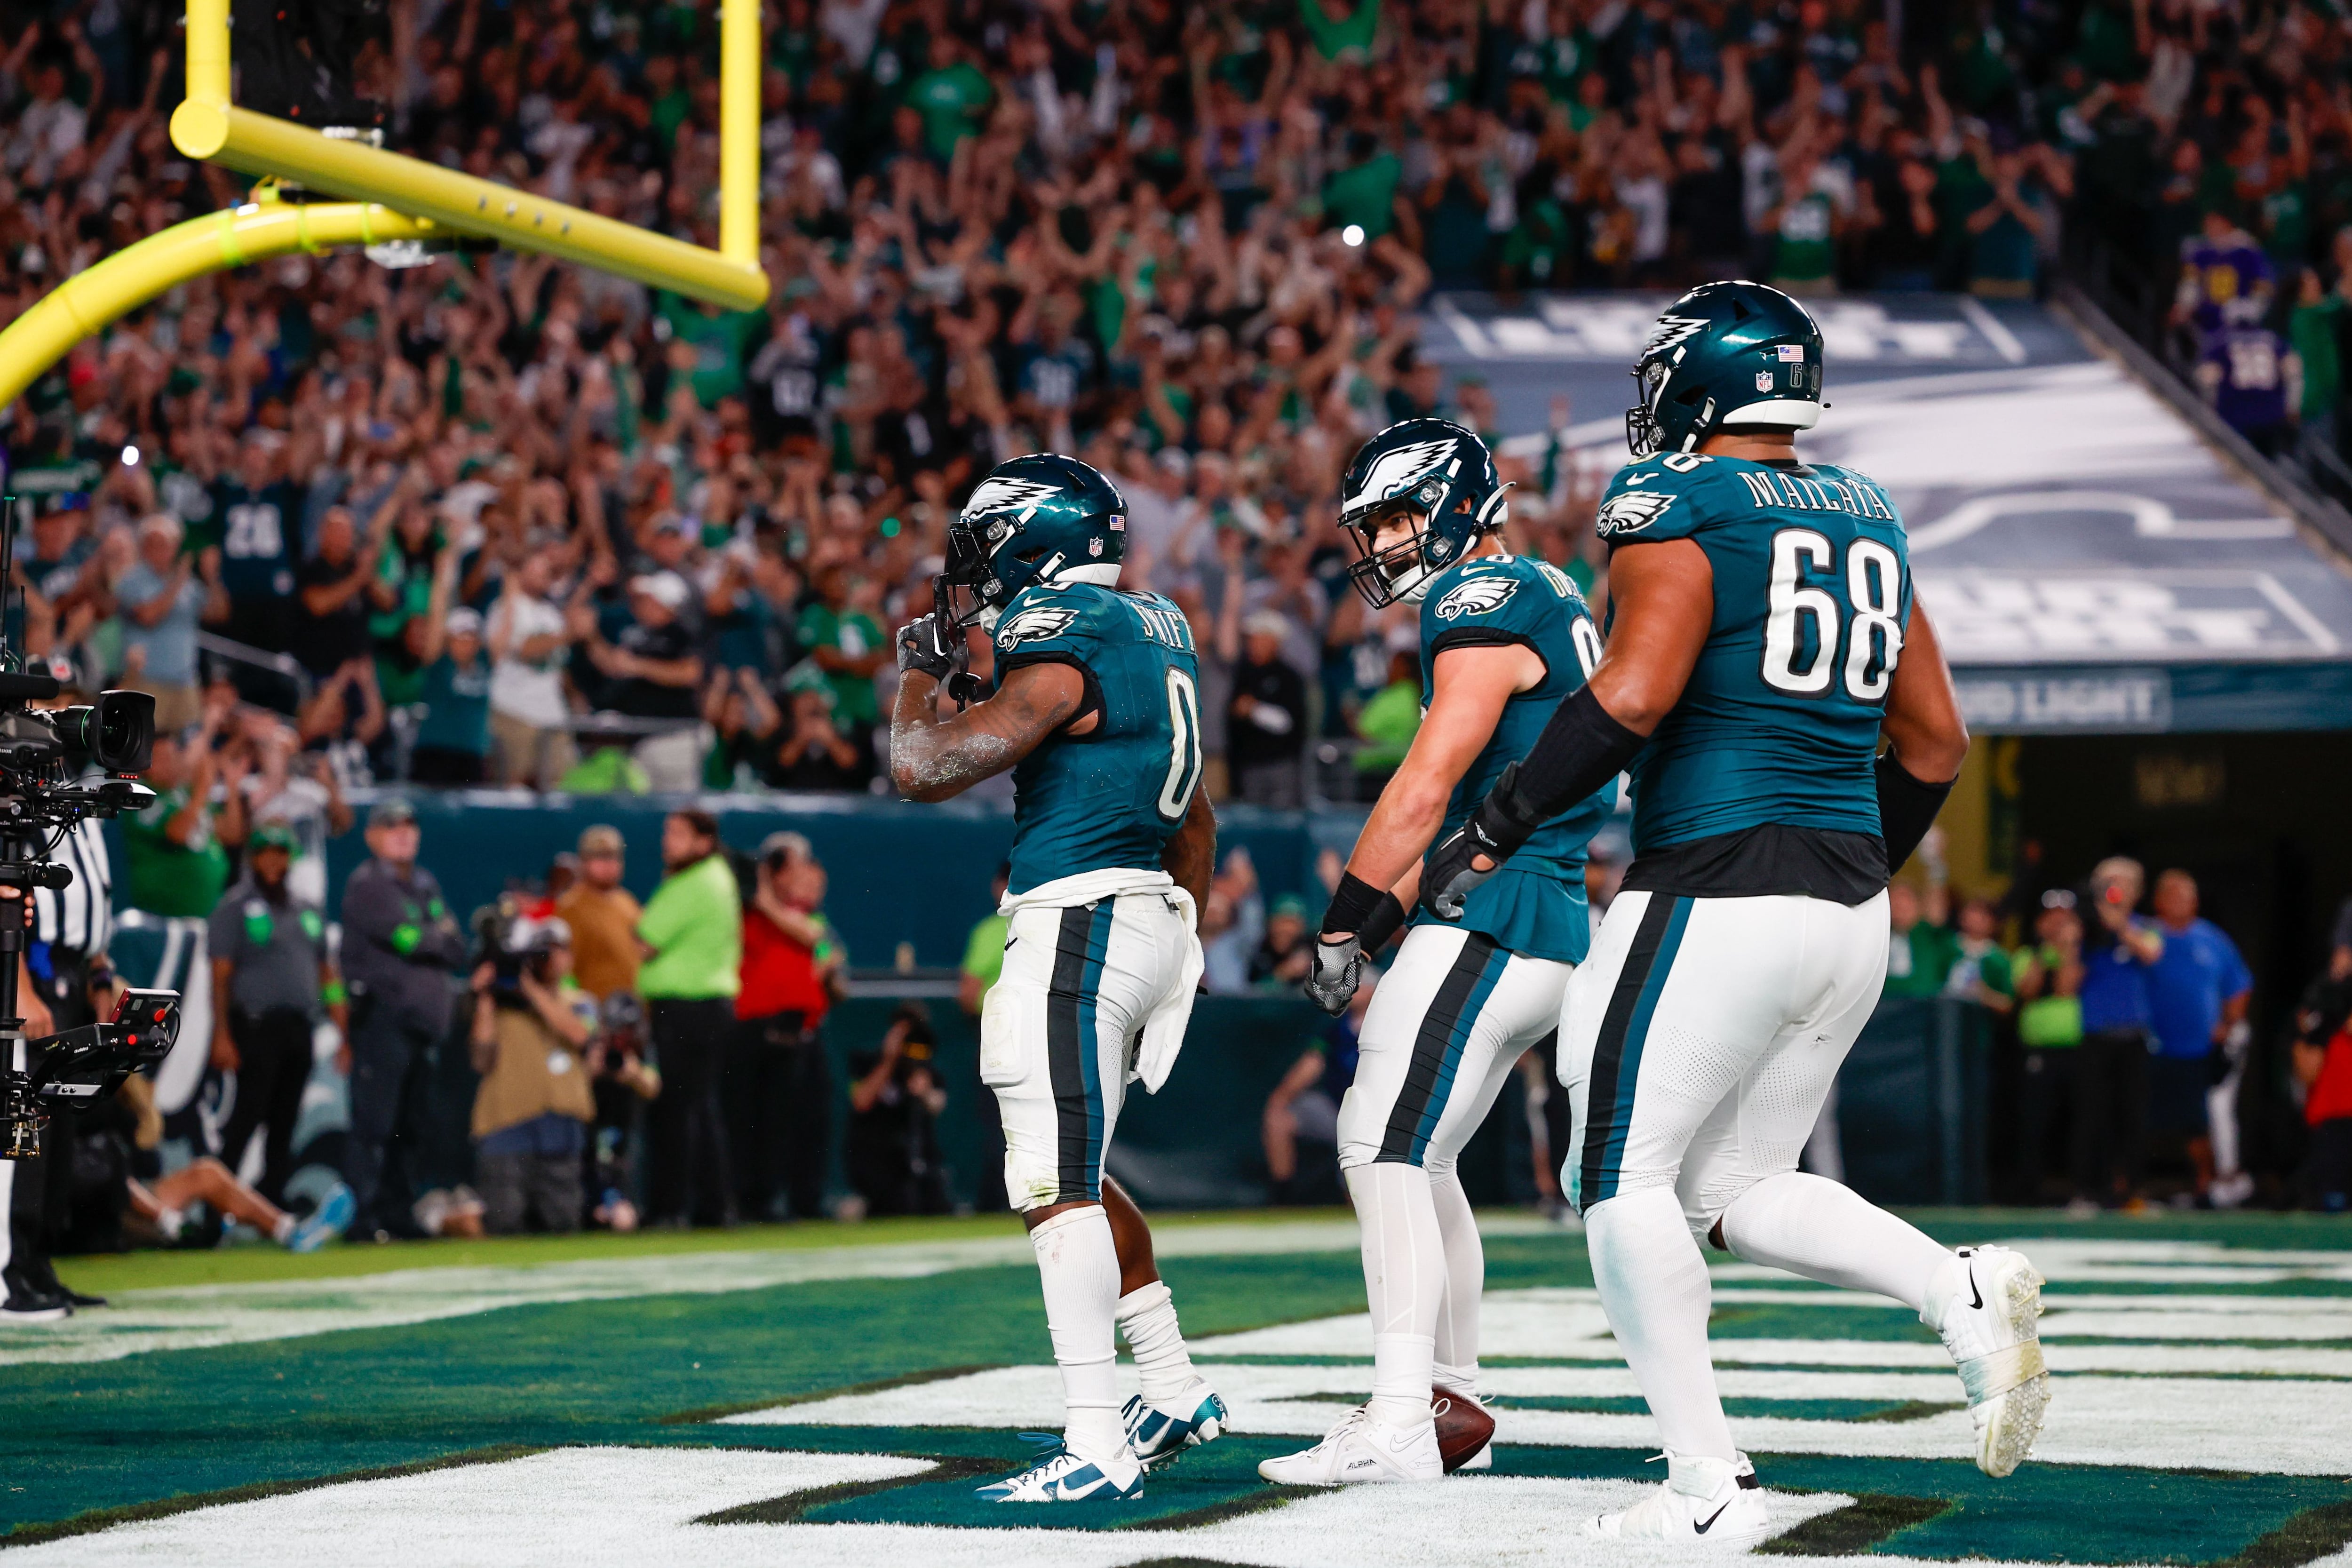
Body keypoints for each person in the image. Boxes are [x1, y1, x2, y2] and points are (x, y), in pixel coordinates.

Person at [1417, 283, 2046, 1536]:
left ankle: (1705, 1486)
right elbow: (1936, 741)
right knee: (1735, 1182)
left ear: (1699, 382)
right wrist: (1852, 862)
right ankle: (1956, 1286)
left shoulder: (1680, 500)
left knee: (1612, 1172)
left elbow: (1637, 695)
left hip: (1716, 879)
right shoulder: (1867, 514)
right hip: (1846, 900)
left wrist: (1498, 821)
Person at [1263, 417, 1613, 1486]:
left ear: (1454, 503)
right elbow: (1473, 811)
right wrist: (1370, 929)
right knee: (1426, 1156)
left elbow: (1424, 785)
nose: (1378, 544)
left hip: (1499, 916)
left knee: (1379, 1145)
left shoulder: (1482, 599)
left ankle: (1399, 1418)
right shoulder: (1542, 590)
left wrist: (1340, 920)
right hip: (1533, 909)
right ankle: (1451, 1398)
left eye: (1394, 516)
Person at [892, 452, 1224, 1503]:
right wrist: (1181, 934)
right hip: (1145, 911)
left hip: (1083, 919)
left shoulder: (1062, 635)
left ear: (1034, 542)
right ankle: (1169, 1387)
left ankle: (1094, 1438)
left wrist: (917, 674)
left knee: (1049, 1183)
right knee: (1067, 1167)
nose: (975, 572)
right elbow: (1198, 816)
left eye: (987, 546)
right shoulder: (1150, 621)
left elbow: (924, 768)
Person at [339, 797, 468, 1240]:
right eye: (392, 827)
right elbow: (414, 940)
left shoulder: (425, 882)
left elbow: (456, 946)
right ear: (372, 836)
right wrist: (436, 937)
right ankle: (361, 1216)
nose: (403, 833)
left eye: (410, 826)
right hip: (383, 1018)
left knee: (411, 1125)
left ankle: (396, 1212)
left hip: (422, 1025)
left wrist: (435, 938)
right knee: (375, 1123)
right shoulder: (368, 884)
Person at [207, 822, 347, 1208]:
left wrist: (343, 1030)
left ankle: (271, 1205)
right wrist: (221, 1035)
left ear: (291, 858)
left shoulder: (308, 911)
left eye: (281, 852)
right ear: (253, 858)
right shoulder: (234, 906)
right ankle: (215, 1208)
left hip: (300, 1027)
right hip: (255, 1025)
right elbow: (220, 978)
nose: (273, 860)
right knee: (246, 1119)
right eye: (266, 851)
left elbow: (327, 974)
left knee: (285, 1121)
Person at [729, 832, 846, 1221]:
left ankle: (803, 1197)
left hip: (805, 1028)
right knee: (757, 1117)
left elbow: (824, 947)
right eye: (796, 871)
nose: (807, 881)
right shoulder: (748, 914)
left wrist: (826, 967)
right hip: (758, 1023)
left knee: (803, 1120)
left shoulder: (806, 916)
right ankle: (757, 1198)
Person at [636, 809, 742, 1227]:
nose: (668, 841)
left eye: (678, 834)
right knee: (698, 1108)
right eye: (667, 832)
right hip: (705, 1007)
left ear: (704, 841)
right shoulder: (715, 876)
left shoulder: (695, 881)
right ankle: (712, 1207)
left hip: (688, 1008)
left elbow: (645, 939)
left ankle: (671, 1208)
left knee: (678, 1111)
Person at [468, 916, 598, 1234]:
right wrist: (485, 997)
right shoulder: (501, 1007)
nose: (552, 959)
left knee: (563, 1220)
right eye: (543, 952)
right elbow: (480, 1058)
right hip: (507, 1123)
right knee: (504, 1221)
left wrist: (530, 989)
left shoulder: (581, 1002)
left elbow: (580, 1035)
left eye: (557, 950)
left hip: (562, 1125)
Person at [2146, 869, 2254, 1206]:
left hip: (2200, 1049)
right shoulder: (2144, 936)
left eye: (2189, 896)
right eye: (2175, 895)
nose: (2183, 902)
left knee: (2200, 1121)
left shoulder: (2213, 939)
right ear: (2159, 901)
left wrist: (2228, 1022)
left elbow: (2240, 985)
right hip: (2152, 1047)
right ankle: (2127, 1185)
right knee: (2141, 1117)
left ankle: (2207, 1185)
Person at [2075, 856, 2165, 1212]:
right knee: (2092, 1116)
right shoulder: (2087, 932)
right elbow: (2069, 983)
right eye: (2108, 880)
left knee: (2134, 1116)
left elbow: (2152, 953)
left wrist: (2120, 925)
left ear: (2137, 891)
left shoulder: (2146, 927)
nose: (2115, 887)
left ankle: (2133, 1192)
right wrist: (2075, 939)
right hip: (2096, 1035)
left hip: (2134, 1036)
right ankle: (2087, 1192)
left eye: (2122, 881)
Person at [1262, 974, 1370, 1207]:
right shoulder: (1338, 1027)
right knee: (1280, 1116)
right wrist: (1282, 1096)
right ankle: (1282, 1198)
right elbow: (1312, 1062)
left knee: (1359, 1184)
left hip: (1371, 1118)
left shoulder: (1388, 1026)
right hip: (1335, 1107)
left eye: (1359, 987)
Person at [844, 1002, 953, 1218]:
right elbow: (861, 1101)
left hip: (914, 1154)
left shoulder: (925, 1068)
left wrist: (923, 1091)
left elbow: (938, 1104)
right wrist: (888, 1061)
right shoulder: (869, 1061)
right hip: (875, 1156)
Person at [2012, 891, 2086, 1204]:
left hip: (2078, 1050)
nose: (2058, 923)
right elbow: (2027, 988)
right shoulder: (2027, 954)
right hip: (2039, 1052)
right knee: (2035, 1124)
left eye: (2065, 918)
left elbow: (2067, 986)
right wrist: (2046, 949)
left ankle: (2080, 1191)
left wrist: (2067, 947)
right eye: (2052, 917)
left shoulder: (2083, 954)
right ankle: (2031, 1192)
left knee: (2080, 1123)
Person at [958, 862, 1013, 1213]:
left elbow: (968, 992)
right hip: (1041, 1031)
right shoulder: (1054, 925)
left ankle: (1001, 1198)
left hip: (998, 1032)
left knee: (1000, 1120)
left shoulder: (991, 931)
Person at [556, 824, 643, 1002]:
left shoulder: (627, 901)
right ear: (583, 862)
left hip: (632, 1010)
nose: (609, 864)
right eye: (600, 857)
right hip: (595, 1015)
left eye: (615, 856)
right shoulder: (571, 906)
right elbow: (563, 970)